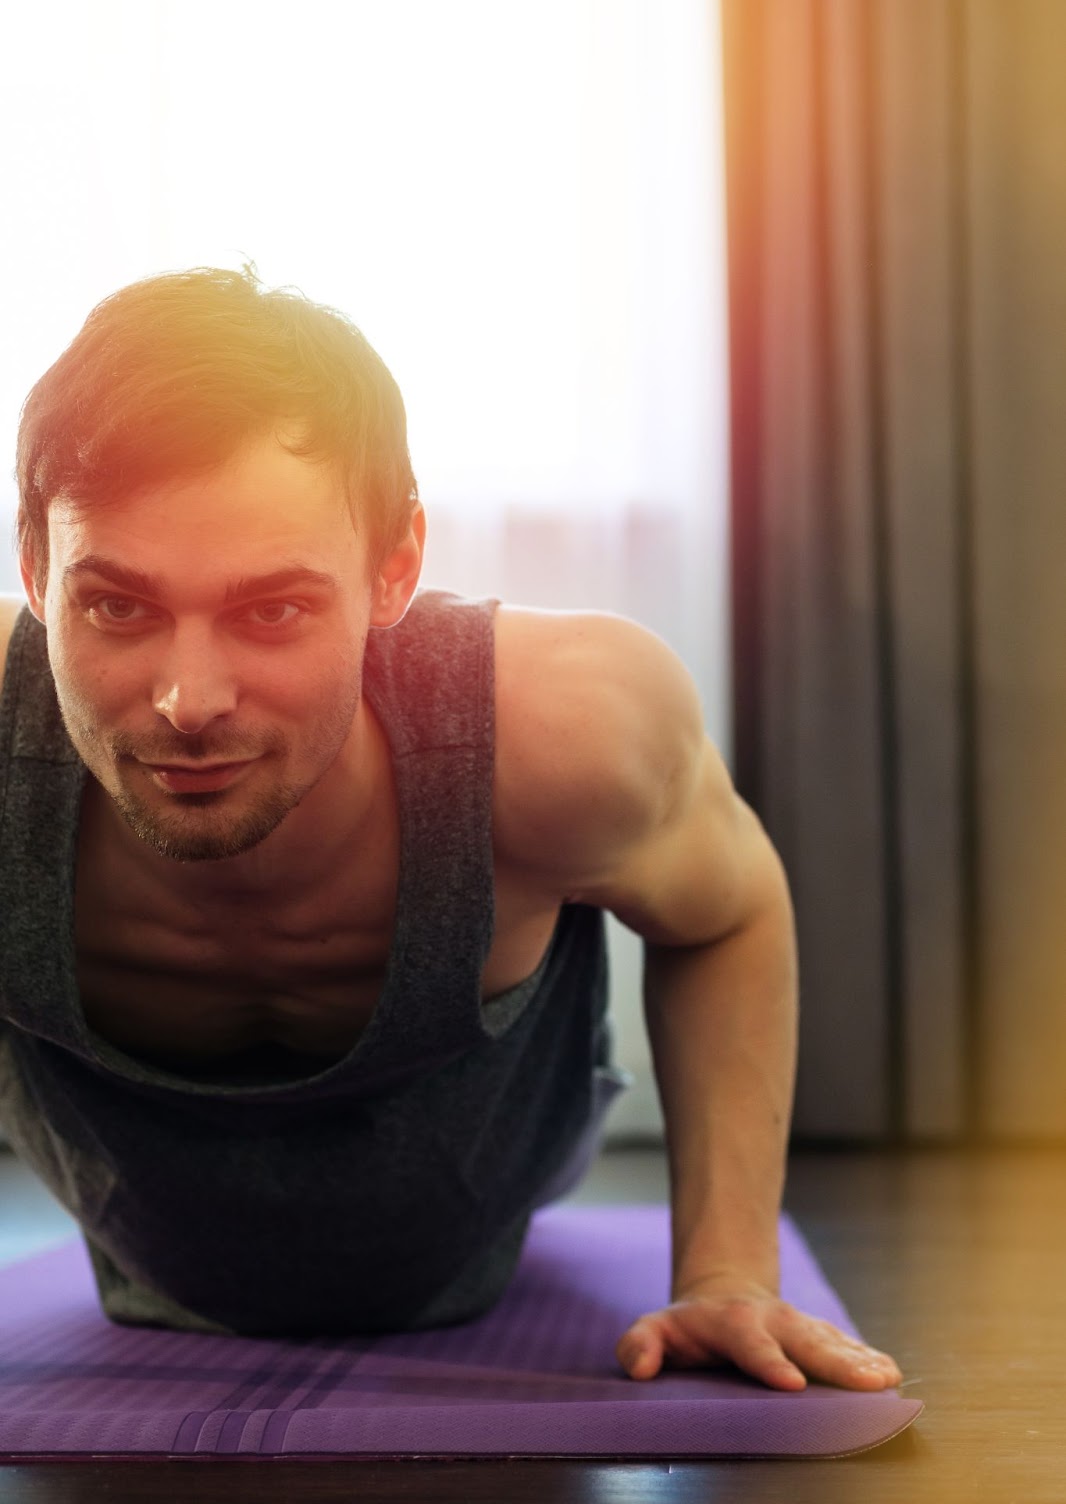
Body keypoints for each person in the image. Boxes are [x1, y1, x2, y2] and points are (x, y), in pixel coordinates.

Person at [0, 264, 901, 1392]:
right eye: (117, 605)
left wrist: (728, 1269)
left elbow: (728, 910)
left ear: (395, 569)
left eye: (271, 609)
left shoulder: (565, 727)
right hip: (136, 1250)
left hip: (487, 1206)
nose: (192, 700)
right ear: (35, 569)